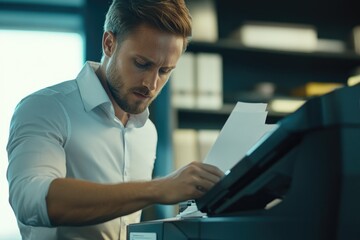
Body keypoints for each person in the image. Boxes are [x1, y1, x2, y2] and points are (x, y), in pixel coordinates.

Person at [6, 0, 224, 239]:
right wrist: (160, 188)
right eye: (142, 64)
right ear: (109, 44)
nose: (151, 85)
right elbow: (32, 201)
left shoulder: (147, 131)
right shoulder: (46, 108)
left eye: (164, 71)